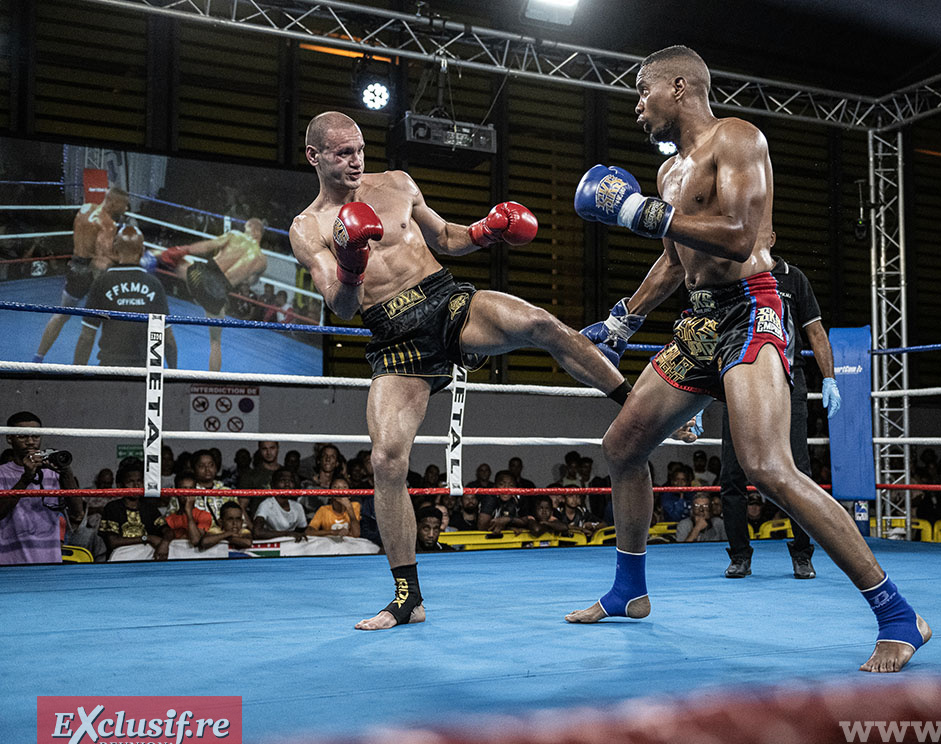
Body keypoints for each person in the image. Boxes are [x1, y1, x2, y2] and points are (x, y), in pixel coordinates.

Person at [565, 45, 928, 672]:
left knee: (766, 465)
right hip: (701, 319)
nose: (636, 106)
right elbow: (676, 261)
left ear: (679, 87)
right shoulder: (670, 173)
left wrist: (639, 214)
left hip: (750, 309)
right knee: (622, 446)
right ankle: (630, 592)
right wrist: (626, 317)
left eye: (642, 92)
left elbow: (737, 236)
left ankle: (899, 615)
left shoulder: (738, 138)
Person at [289, 110, 631, 631]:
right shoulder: (307, 226)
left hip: (445, 301)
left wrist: (488, 230)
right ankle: (408, 597)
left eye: (359, 149)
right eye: (341, 153)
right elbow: (340, 305)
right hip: (393, 334)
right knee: (385, 461)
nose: (355, 160)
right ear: (314, 157)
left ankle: (633, 403)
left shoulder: (399, 184)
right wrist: (352, 260)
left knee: (541, 323)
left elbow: (446, 238)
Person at [717, 248, 840, 580]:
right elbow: (712, 332)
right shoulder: (731, 273)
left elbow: (814, 331)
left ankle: (802, 554)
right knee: (732, 474)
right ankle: (739, 555)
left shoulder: (793, 278)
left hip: (787, 380)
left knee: (798, 469)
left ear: (770, 237)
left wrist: (829, 377)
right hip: (738, 377)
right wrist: (700, 393)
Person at [158, 217, 268, 371]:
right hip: (217, 294)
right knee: (215, 342)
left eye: (246, 227)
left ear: (250, 227)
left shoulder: (235, 236)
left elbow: (207, 246)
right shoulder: (262, 261)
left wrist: (184, 249)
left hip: (200, 278)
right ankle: (212, 382)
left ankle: (142, 261)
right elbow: (250, 282)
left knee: (167, 257)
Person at [34, 187, 129, 363]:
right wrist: (130, 255)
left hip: (75, 267)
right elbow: (102, 259)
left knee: (61, 315)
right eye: (124, 205)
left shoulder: (85, 208)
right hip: (93, 275)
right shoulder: (107, 223)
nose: (126, 209)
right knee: (102, 322)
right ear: (114, 202)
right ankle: (93, 366)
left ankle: (37, 357)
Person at [73, 224, 178, 368]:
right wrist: (174, 373)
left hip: (110, 368)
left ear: (115, 249)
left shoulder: (103, 282)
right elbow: (168, 338)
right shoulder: (154, 284)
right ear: (142, 251)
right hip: (143, 371)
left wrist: (76, 374)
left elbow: (87, 335)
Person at [0, 412, 84, 564]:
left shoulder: (52, 472)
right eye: (22, 436)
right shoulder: (2, 473)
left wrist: (66, 472)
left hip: (49, 560)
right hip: (10, 561)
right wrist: (26, 478)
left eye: (36, 436)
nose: (30, 442)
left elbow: (77, 513)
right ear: (9, 438)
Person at [99, 459, 170, 561]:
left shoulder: (150, 508)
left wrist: (165, 542)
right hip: (120, 562)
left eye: (139, 481)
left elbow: (168, 531)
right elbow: (113, 542)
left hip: (147, 561)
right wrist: (147, 538)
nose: (136, 486)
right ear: (120, 485)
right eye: (130, 482)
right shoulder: (112, 508)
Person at [253, 469, 308, 540]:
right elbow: (257, 532)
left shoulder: (297, 506)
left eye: (291, 481)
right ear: (272, 485)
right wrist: (286, 534)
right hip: (273, 547)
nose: (287, 484)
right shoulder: (267, 505)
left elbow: (303, 531)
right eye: (282, 481)